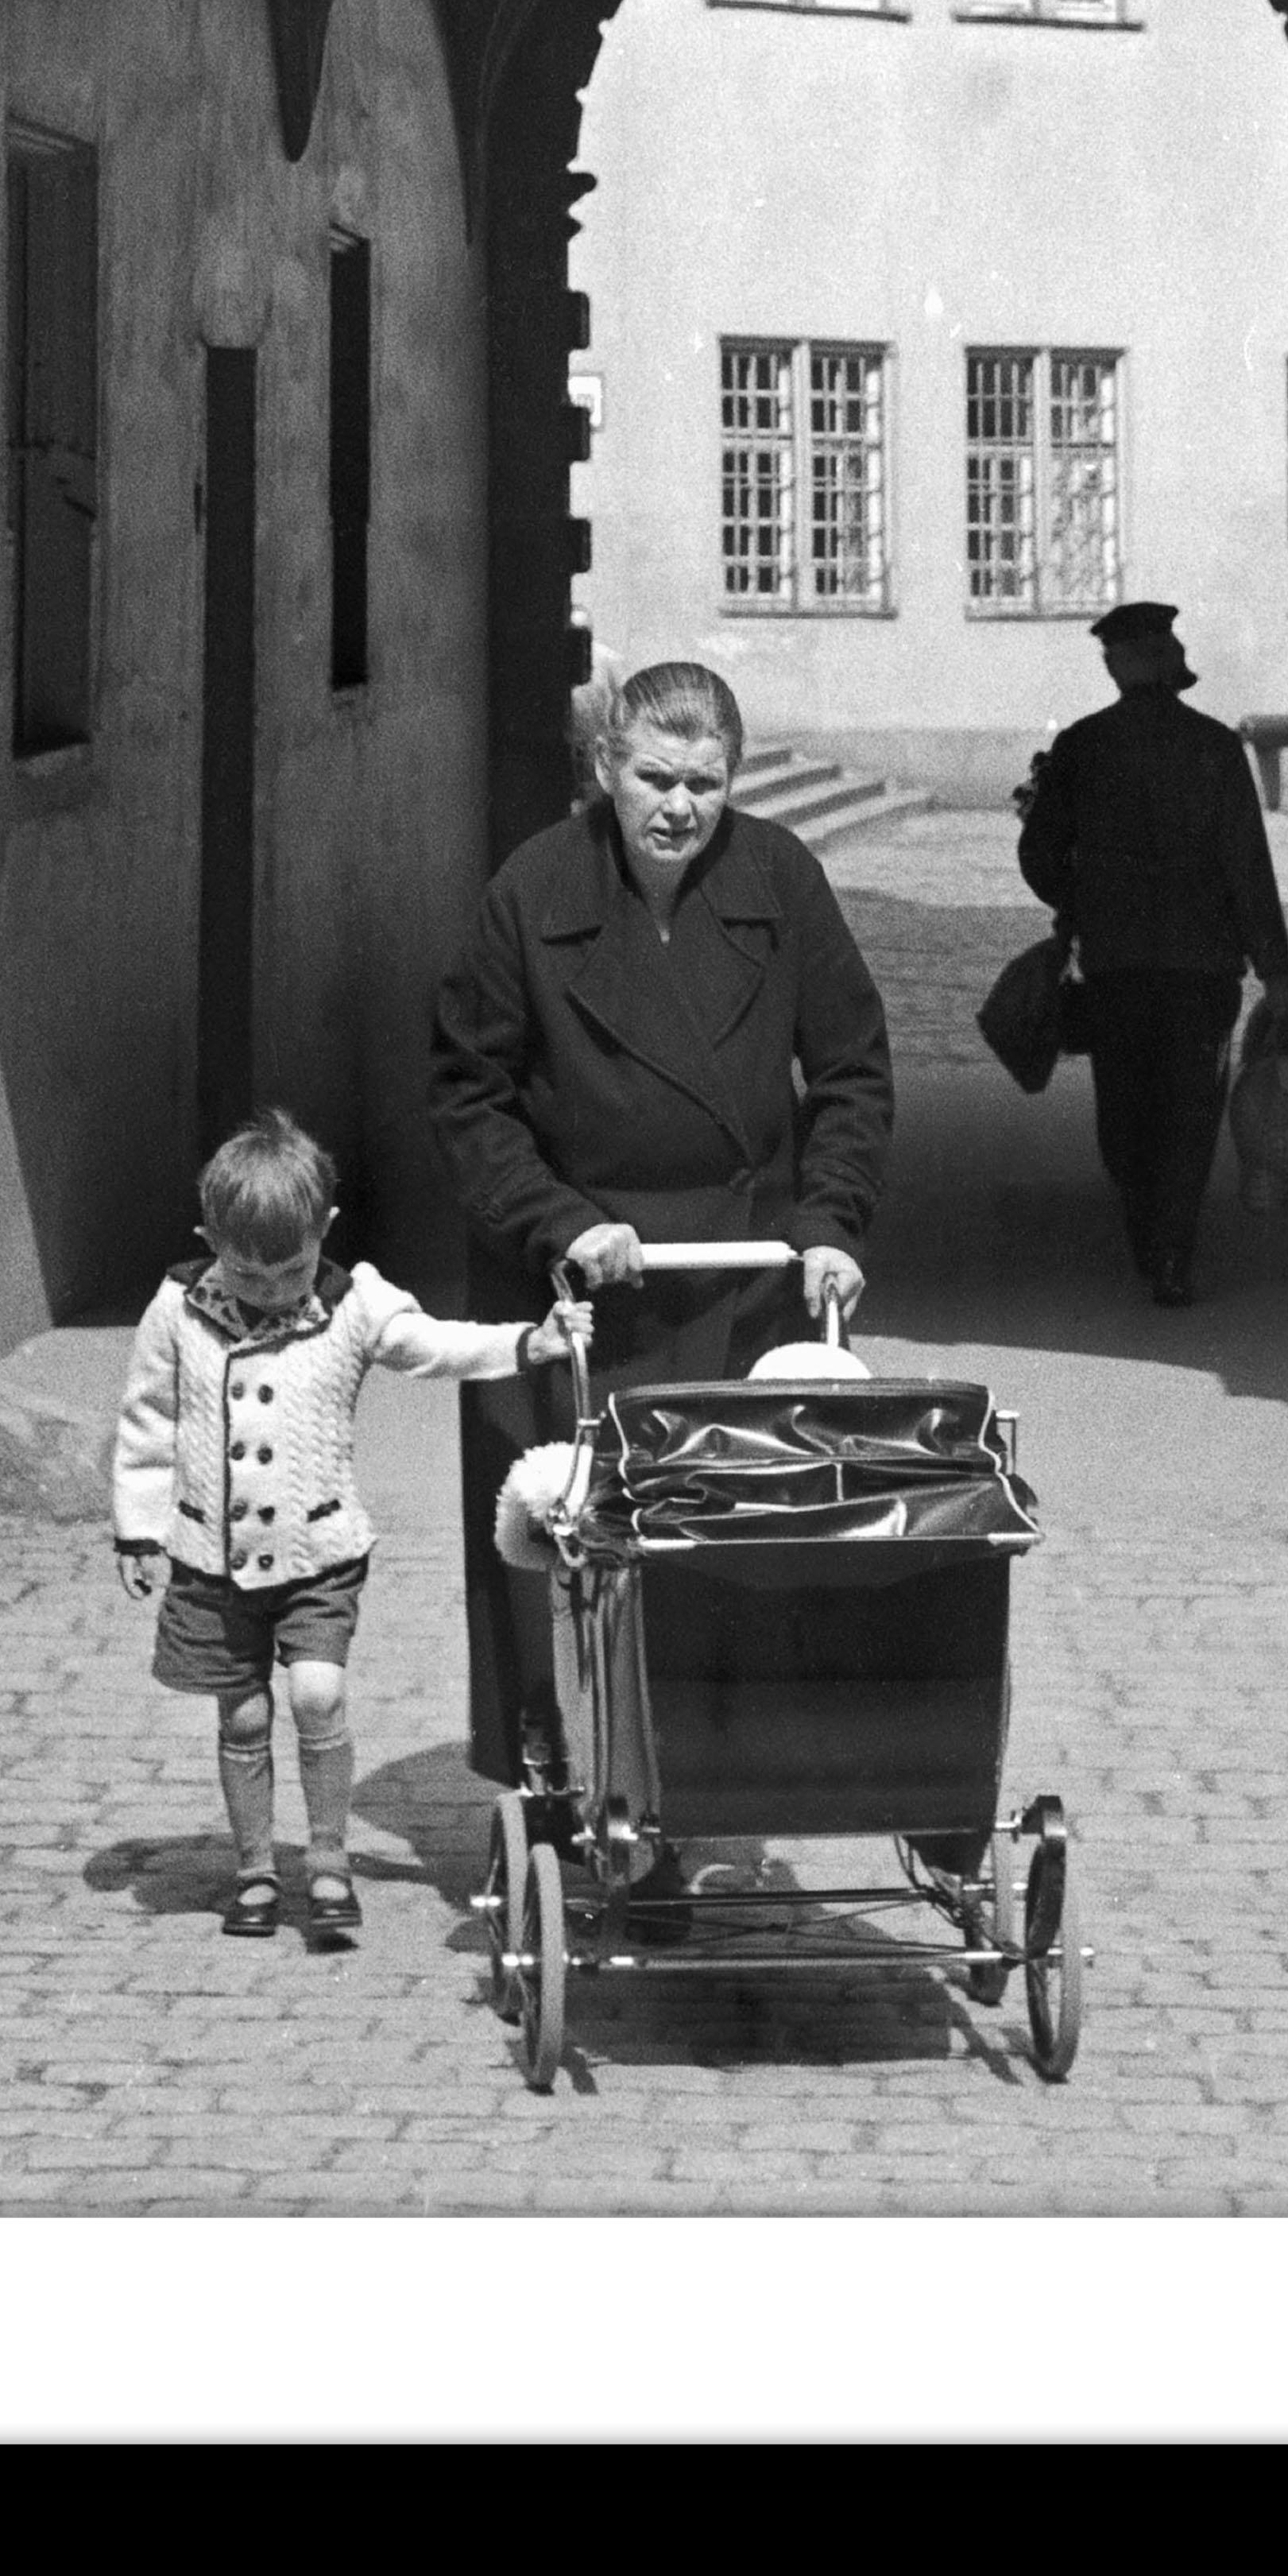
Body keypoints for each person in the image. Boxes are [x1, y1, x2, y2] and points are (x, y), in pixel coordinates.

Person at [427, 655, 892, 1797]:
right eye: (654, 778)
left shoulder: (783, 881)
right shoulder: (534, 891)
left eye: (707, 783)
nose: (679, 807)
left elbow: (850, 1070)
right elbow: (468, 1094)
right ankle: (556, 1773)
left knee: (727, 1552)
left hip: (736, 1272)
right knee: (561, 1535)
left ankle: (719, 1787)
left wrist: (829, 1224)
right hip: (573, 1287)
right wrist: (557, 1220)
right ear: (606, 768)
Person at [110, 1106, 579, 1948]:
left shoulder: (354, 1303)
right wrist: (139, 1529)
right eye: (244, 1273)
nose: (268, 1290)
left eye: (288, 1268)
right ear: (207, 1237)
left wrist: (527, 1342)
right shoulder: (176, 1310)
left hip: (318, 1552)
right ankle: (256, 1866)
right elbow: (148, 1420)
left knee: (316, 1691)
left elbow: (432, 1344)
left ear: (324, 1229)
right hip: (208, 1558)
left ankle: (327, 1857)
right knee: (244, 1715)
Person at [1019, 598, 1288, 1310]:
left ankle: (1146, 1231)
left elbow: (1039, 852)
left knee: (1126, 1105)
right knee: (1190, 1111)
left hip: (1116, 963)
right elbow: (1248, 866)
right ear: (1166, 663)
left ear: (1120, 666)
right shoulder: (1214, 747)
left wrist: (1078, 904)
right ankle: (1174, 1251)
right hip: (1202, 966)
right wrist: (1276, 971)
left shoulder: (1082, 747)